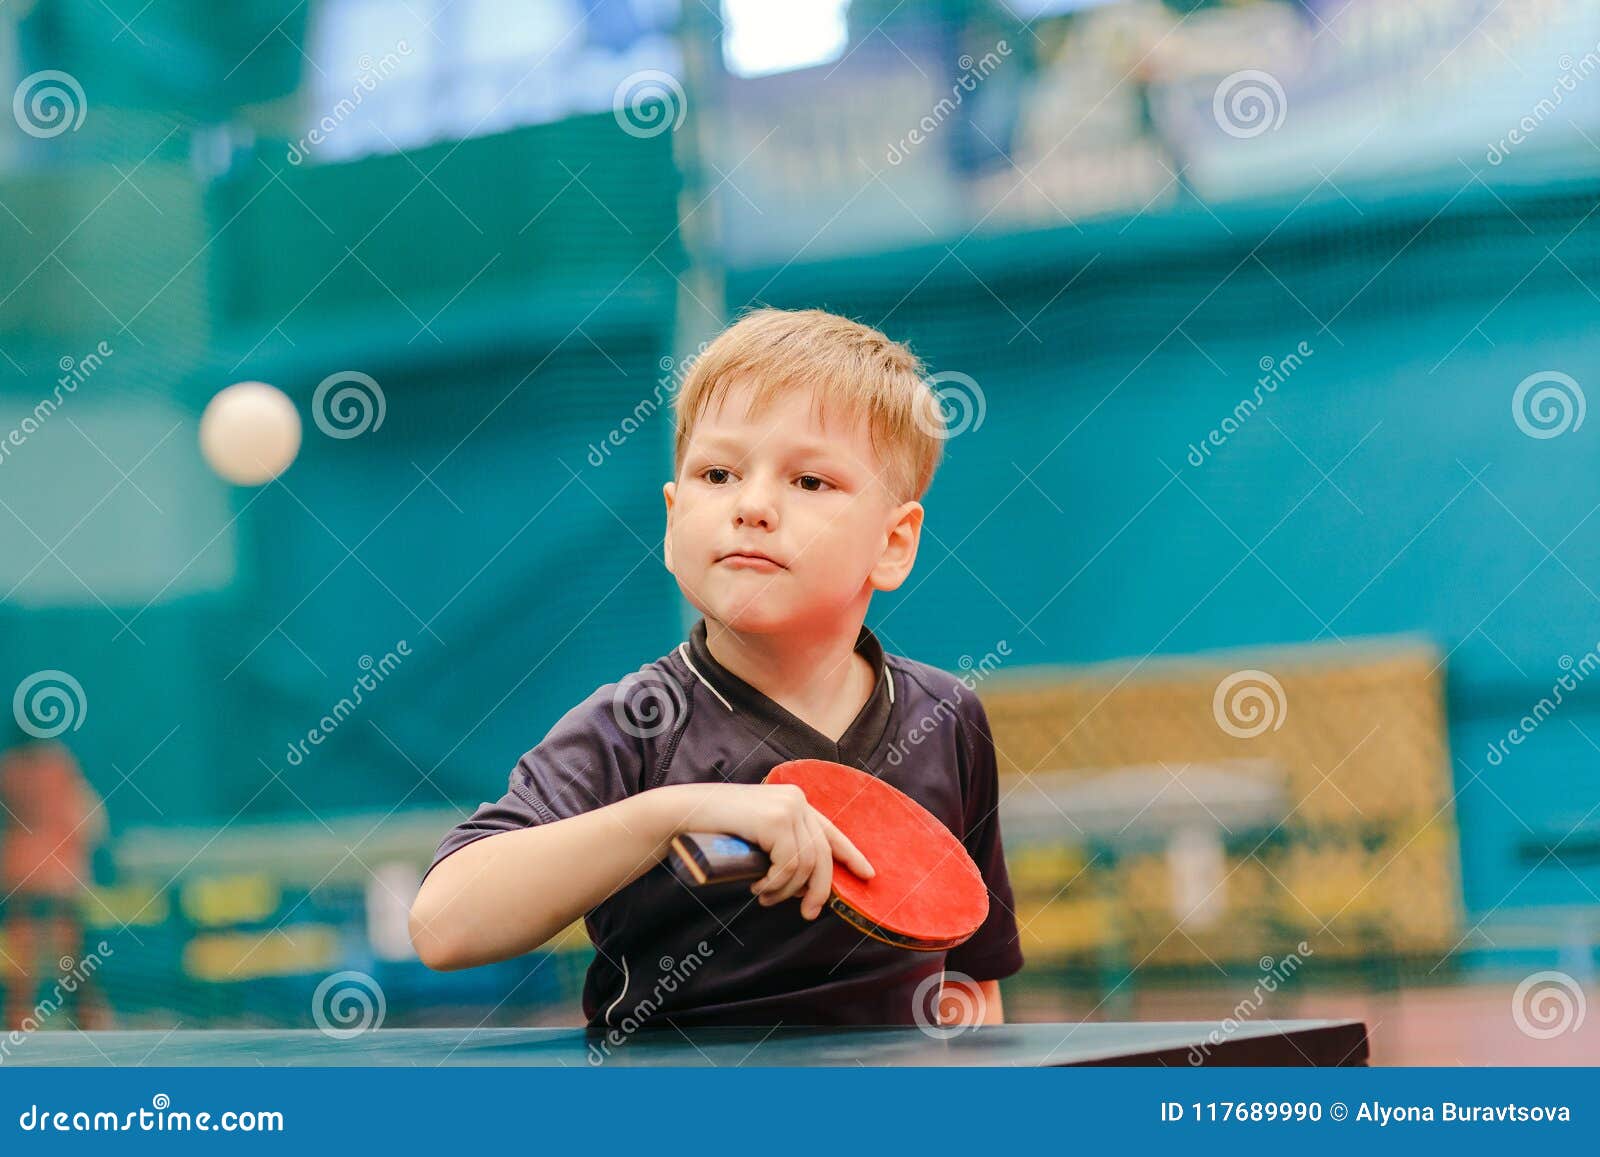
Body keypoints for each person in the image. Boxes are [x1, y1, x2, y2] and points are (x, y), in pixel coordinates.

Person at [410, 308, 1022, 1027]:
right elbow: (442, 924)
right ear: (673, 523)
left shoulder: (946, 718)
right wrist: (679, 812)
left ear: (894, 543)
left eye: (810, 481)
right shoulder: (634, 727)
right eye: (718, 473)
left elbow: (970, 981)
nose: (753, 505)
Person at [0, 724, 111, 1030]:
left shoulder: (7, 771)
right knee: (72, 952)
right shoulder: (59, 765)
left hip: (18, 872)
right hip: (58, 872)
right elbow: (88, 817)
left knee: (23, 952)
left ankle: (18, 1019)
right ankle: (89, 1018)